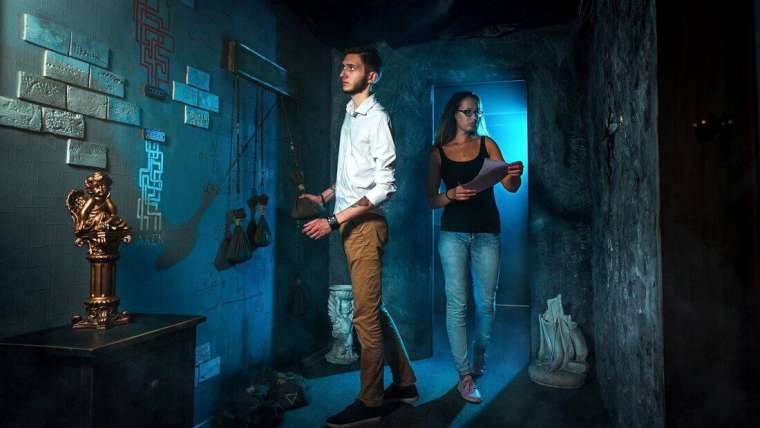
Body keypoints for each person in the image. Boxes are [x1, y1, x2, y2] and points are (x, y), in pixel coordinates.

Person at [300, 46, 418, 427]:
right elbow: (354, 176)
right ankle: (405, 382)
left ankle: (370, 402)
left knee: (363, 317)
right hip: (351, 225)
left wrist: (333, 220)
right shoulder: (351, 115)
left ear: (371, 76)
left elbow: (385, 186)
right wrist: (324, 197)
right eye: (342, 67)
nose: (343, 72)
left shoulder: (377, 118)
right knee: (373, 311)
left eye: (351, 67)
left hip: (365, 227)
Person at [427, 91, 524, 403]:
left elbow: (511, 187)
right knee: (457, 304)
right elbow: (431, 199)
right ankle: (464, 375)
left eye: (476, 112)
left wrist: (514, 175)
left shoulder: (487, 144)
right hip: (452, 234)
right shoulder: (438, 153)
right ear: (453, 114)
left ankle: (480, 356)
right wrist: (450, 195)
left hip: (487, 233)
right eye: (467, 112)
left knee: (486, 305)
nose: (473, 117)